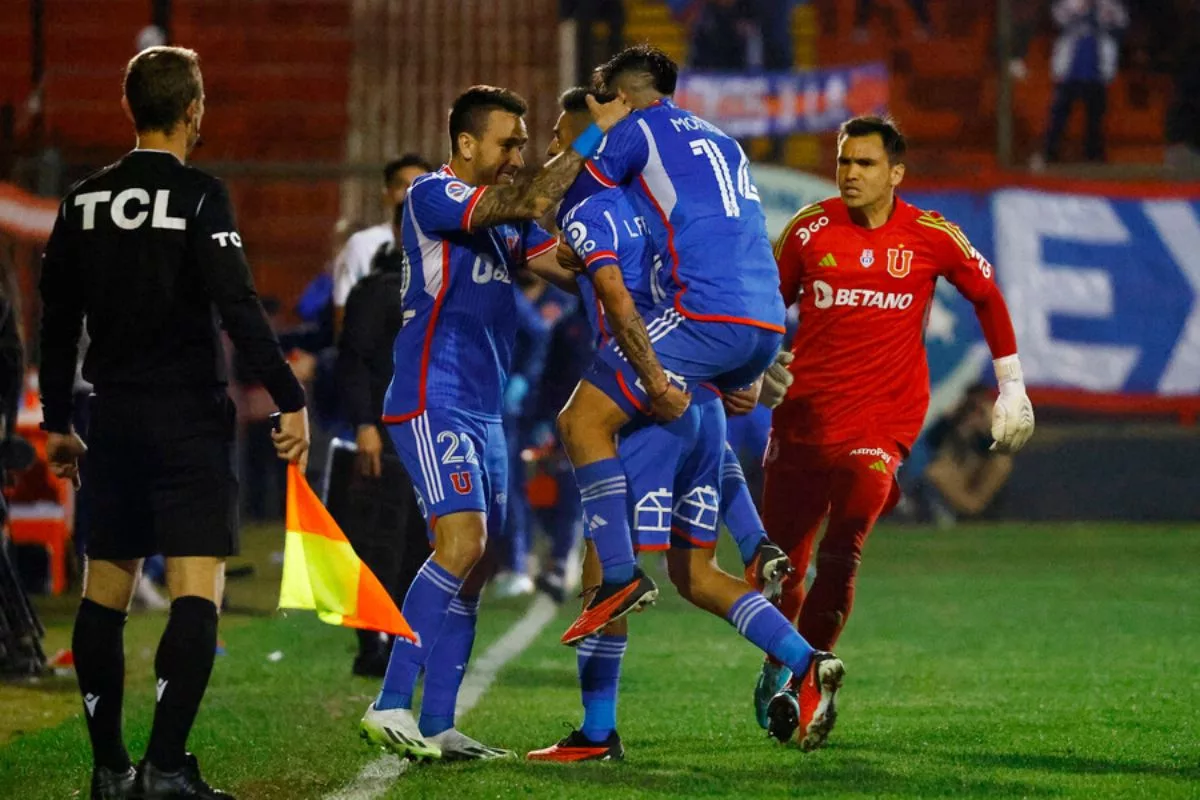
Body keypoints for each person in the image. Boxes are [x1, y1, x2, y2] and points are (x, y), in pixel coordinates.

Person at [528, 89, 836, 762]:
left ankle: (597, 730)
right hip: (697, 400)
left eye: (561, 136)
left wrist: (655, 377)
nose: (554, 148)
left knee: (600, 562)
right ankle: (806, 658)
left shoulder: (598, 204)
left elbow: (604, 287)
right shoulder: (647, 209)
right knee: (697, 574)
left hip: (652, 393)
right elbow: (559, 262)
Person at [38, 46, 310, 800]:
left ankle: (109, 770)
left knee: (106, 591)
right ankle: (165, 766)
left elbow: (56, 320)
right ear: (193, 110)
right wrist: (291, 396)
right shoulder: (198, 195)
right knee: (196, 589)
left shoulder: (82, 200)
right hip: (187, 416)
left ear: (130, 110)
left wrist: (58, 419)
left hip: (113, 415)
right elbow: (238, 304)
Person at [357, 83, 630, 762]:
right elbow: (521, 199)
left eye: (522, 142)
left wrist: (622, 237)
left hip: (485, 407)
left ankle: (439, 722)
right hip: (432, 394)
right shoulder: (434, 194)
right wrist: (588, 139)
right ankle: (390, 702)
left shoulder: (506, 221)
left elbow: (568, 267)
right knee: (459, 542)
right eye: (507, 142)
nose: (517, 153)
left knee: (477, 564)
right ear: (466, 143)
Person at [756, 115, 1034, 743]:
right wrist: (762, 360)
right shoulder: (809, 229)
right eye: (844, 162)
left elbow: (987, 296)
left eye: (865, 164)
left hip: (882, 423)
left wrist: (1011, 385)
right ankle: (778, 660)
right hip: (803, 418)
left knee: (843, 547)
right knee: (783, 570)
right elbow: (770, 305)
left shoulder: (931, 235)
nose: (850, 174)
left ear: (896, 173)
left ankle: (808, 679)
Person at [554, 44, 787, 646]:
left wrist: (586, 139)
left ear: (620, 97)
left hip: (694, 320)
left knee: (582, 426)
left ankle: (619, 596)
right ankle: (766, 564)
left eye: (601, 96)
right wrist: (752, 363)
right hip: (758, 322)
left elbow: (569, 193)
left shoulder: (630, 137)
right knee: (697, 569)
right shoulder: (720, 142)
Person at [335, 201, 430, 677]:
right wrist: (365, 425)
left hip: (426, 435)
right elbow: (352, 359)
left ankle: (402, 639)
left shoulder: (437, 284)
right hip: (387, 435)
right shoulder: (380, 289)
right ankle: (371, 644)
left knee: (418, 543)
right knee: (379, 543)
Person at [331, 154, 432, 330]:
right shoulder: (362, 244)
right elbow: (343, 312)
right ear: (386, 194)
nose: (411, 193)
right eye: (403, 185)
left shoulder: (449, 243)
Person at [1039, 0, 1129, 165]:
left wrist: (1107, 14)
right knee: (1058, 115)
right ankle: (1049, 152)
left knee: (1095, 119)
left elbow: (1122, 21)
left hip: (1097, 73)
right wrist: (1078, 8)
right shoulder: (1071, 3)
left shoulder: (1108, 5)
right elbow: (1057, 17)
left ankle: (1093, 155)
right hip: (1069, 72)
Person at [918, 383, 1014, 526]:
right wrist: (952, 422)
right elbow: (933, 441)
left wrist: (986, 428)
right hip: (958, 470)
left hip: (981, 472)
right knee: (936, 471)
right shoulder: (954, 420)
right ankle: (970, 511)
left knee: (1002, 462)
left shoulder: (994, 422)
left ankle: (975, 509)